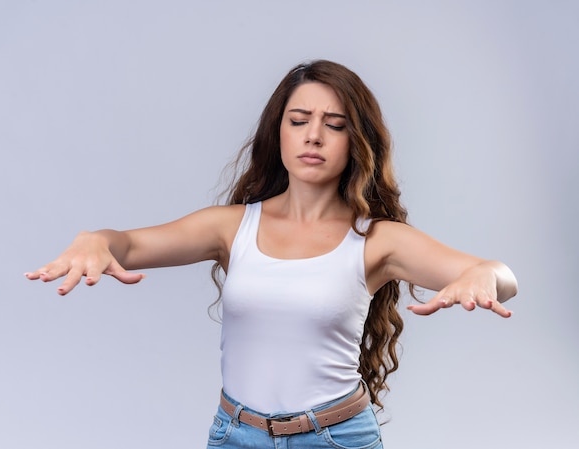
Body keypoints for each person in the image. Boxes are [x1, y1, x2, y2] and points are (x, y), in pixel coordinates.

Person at [26, 60, 518, 449]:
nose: (313, 136)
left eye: (335, 124)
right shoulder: (233, 226)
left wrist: (484, 278)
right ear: (277, 131)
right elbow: (127, 245)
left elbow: (497, 274)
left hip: (337, 438)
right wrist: (95, 240)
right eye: (298, 120)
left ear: (357, 141)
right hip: (234, 436)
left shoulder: (377, 239)